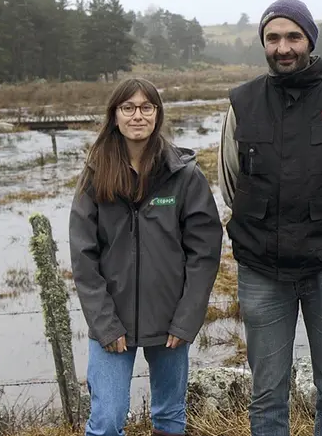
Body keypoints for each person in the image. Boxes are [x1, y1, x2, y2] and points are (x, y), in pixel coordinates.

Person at [217, 0, 322, 436]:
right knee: (267, 393)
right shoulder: (241, 104)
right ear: (264, 44)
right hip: (261, 271)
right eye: (273, 38)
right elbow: (230, 183)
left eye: (293, 36)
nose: (283, 47)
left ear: (309, 39)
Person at [70, 77, 224, 436]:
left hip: (171, 322)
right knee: (106, 421)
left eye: (146, 107)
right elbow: (83, 257)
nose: (137, 115)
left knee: (170, 419)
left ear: (157, 114)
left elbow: (204, 252)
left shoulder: (184, 176)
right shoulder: (94, 175)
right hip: (112, 323)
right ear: (115, 116)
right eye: (128, 108)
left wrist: (186, 320)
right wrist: (105, 324)